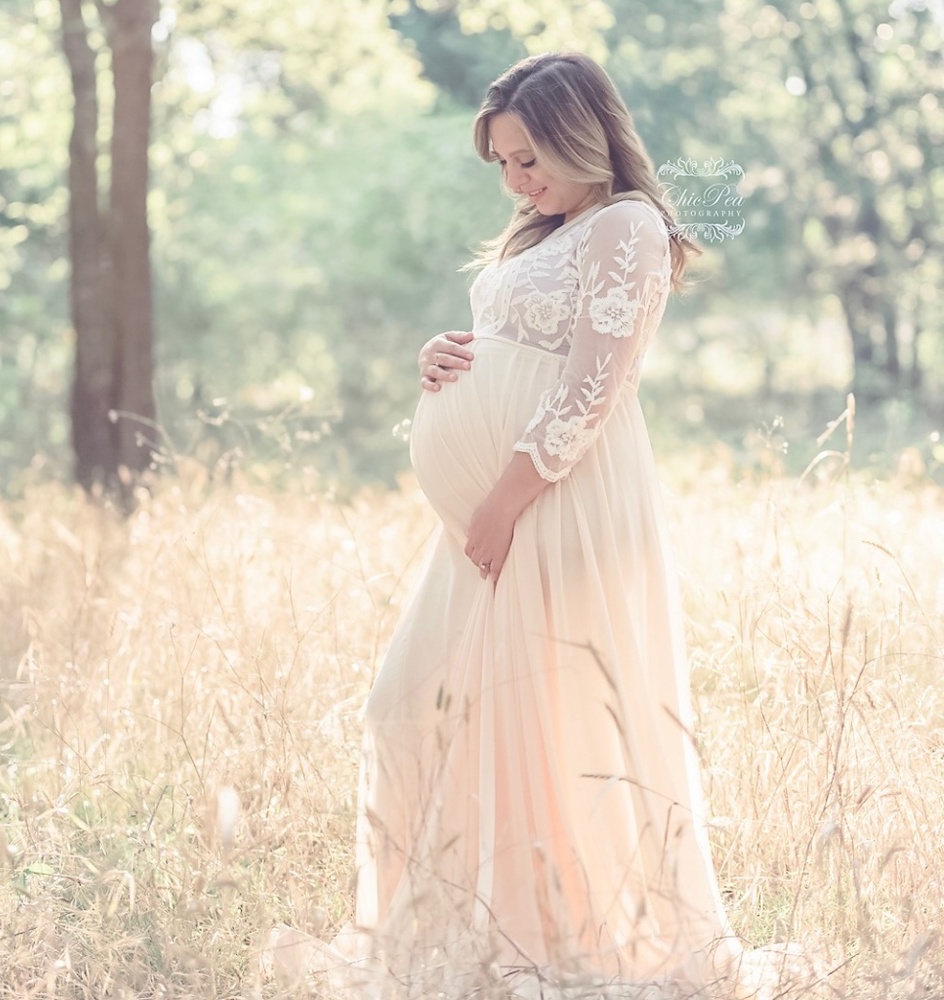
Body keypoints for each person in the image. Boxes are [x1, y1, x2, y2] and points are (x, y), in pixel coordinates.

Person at [270, 52, 795, 1000]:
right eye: (505, 164)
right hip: (497, 516)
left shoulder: (628, 224)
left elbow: (592, 386)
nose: (516, 181)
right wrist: (439, 356)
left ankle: (541, 940)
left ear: (581, 135)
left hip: (555, 505)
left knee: (545, 722)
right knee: (410, 708)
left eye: (528, 158)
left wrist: (504, 503)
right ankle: (457, 935)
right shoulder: (545, 231)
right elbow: (519, 347)